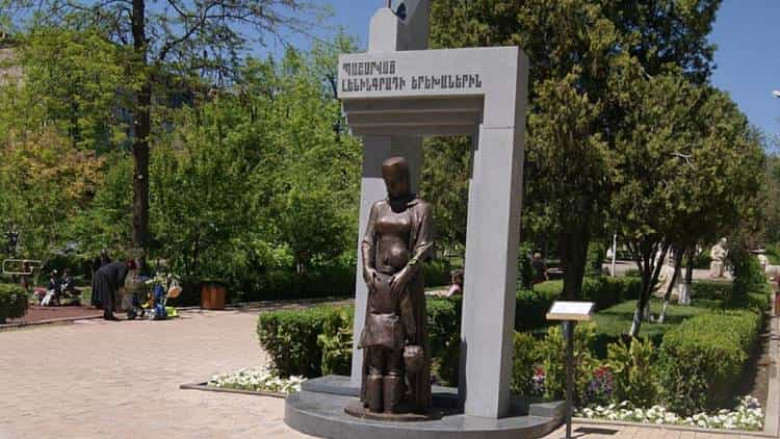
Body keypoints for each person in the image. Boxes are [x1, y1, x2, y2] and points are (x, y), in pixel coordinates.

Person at [358, 156, 434, 415]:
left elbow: (424, 246)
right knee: (377, 342)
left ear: (405, 179)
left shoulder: (421, 208)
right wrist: (367, 267)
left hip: (405, 285)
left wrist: (406, 273)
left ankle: (406, 397)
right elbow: (368, 240)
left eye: (394, 182)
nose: (390, 187)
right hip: (379, 284)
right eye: (386, 182)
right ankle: (375, 400)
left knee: (405, 340)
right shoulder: (379, 207)